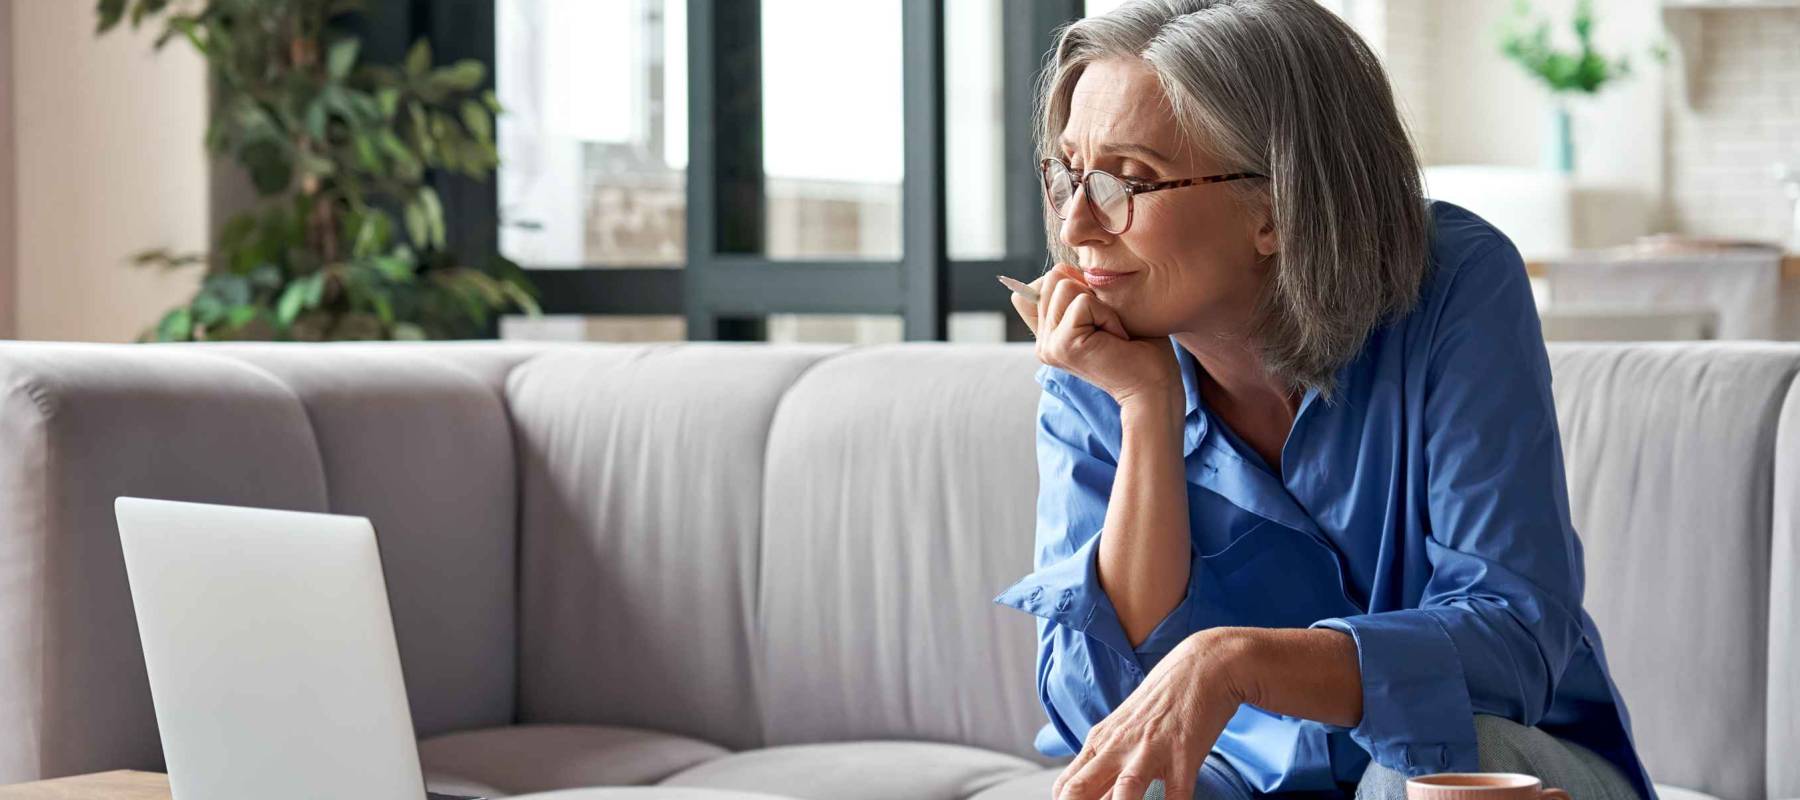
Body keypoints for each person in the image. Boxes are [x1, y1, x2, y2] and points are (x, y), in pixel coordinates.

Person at [991, 3, 1652, 800]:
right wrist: (1147, 411)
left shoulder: (1454, 284)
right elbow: (1099, 712)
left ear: (1276, 205)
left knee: (1431, 769)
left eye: (1128, 180)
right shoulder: (1098, 350)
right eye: (1068, 174)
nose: (1078, 224)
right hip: (1250, 780)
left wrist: (1235, 662)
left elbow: (1513, 638)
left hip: (1504, 759)